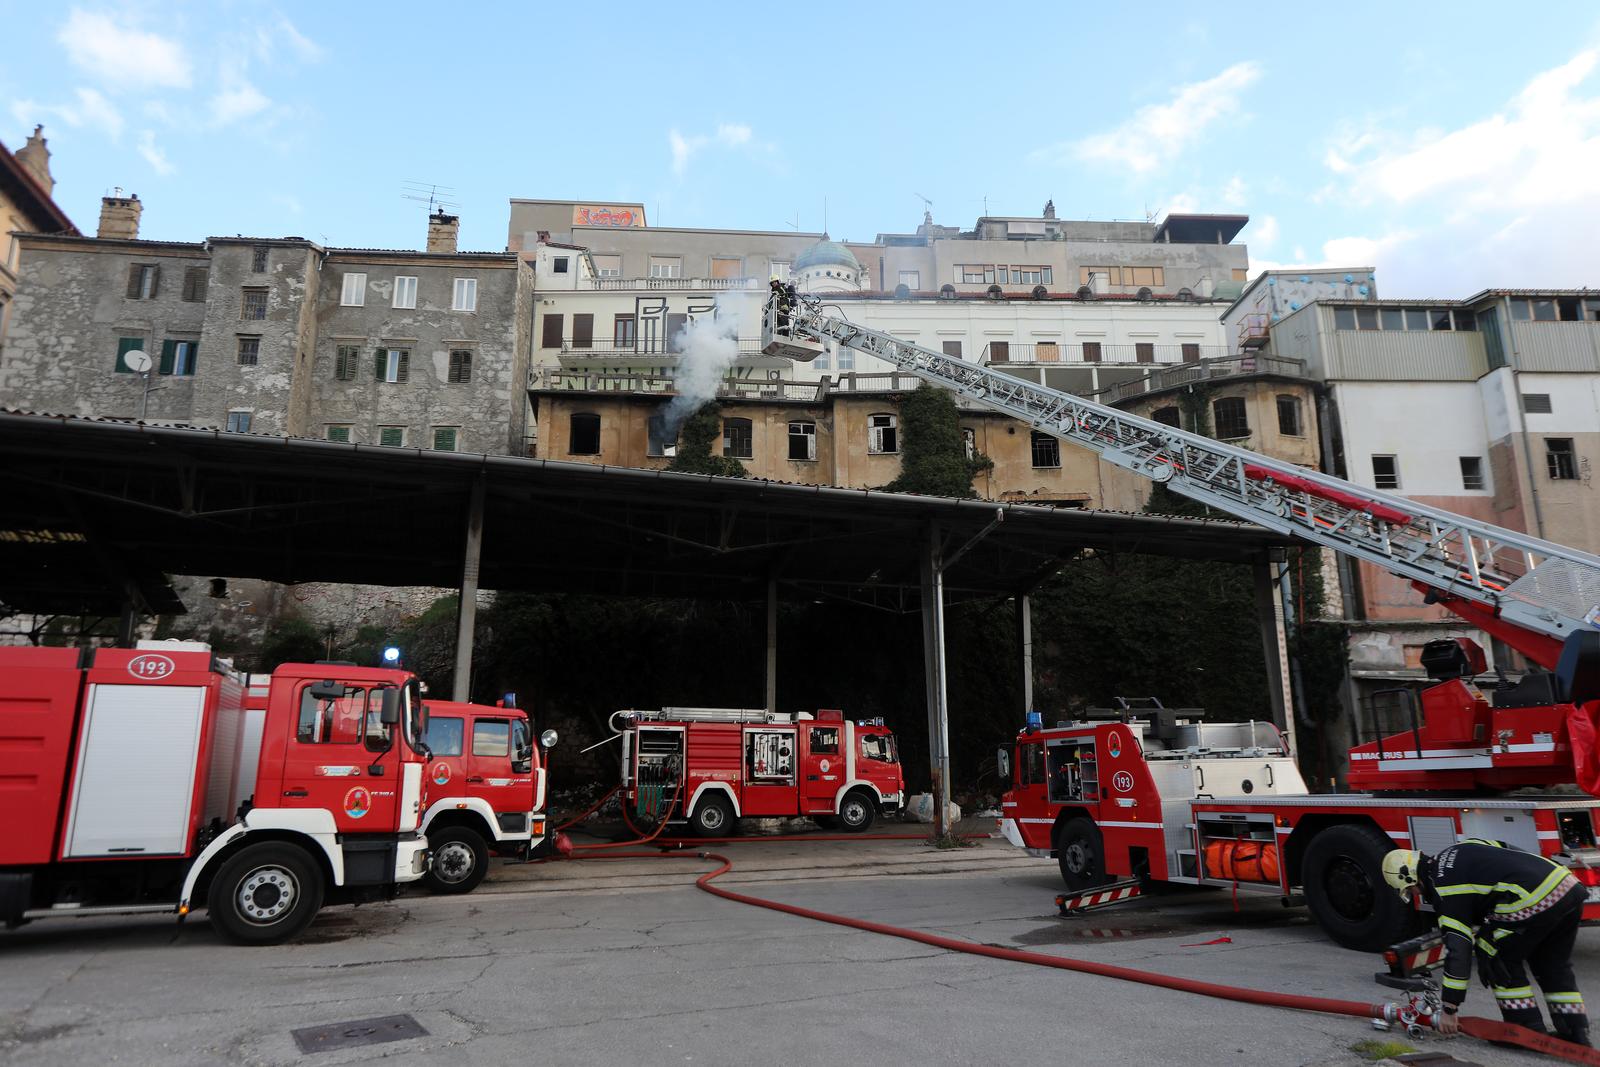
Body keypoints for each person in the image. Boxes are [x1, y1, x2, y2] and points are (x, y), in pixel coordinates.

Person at [1383, 841, 1589, 1046]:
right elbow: (1509, 849)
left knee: (1493, 955)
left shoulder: (1445, 891)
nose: (1416, 895)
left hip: (1536, 898)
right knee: (1552, 964)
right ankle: (1575, 1031)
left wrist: (1449, 1008)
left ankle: (1523, 1031)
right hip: (1568, 885)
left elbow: (1459, 951)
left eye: (1411, 890)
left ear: (1410, 876)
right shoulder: (1460, 847)